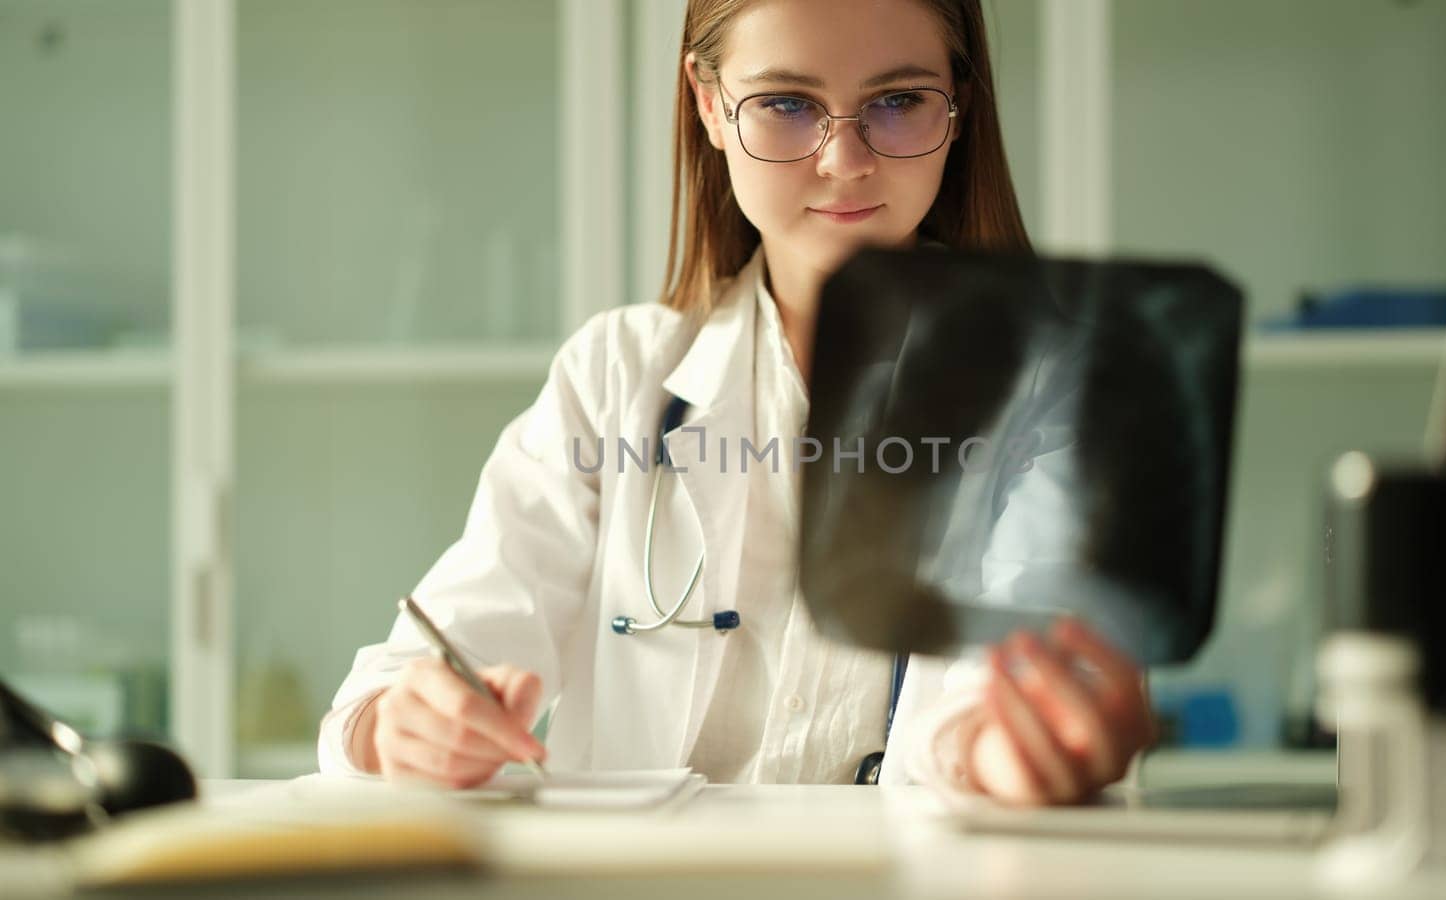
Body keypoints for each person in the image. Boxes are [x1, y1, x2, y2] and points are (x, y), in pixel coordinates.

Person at [319, 0, 1155, 807]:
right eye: (787, 103)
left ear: (959, 107)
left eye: (897, 101)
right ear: (709, 104)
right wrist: (404, 726)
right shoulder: (614, 379)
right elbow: (421, 669)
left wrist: (1012, 750)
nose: (844, 159)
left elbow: (1022, 673)